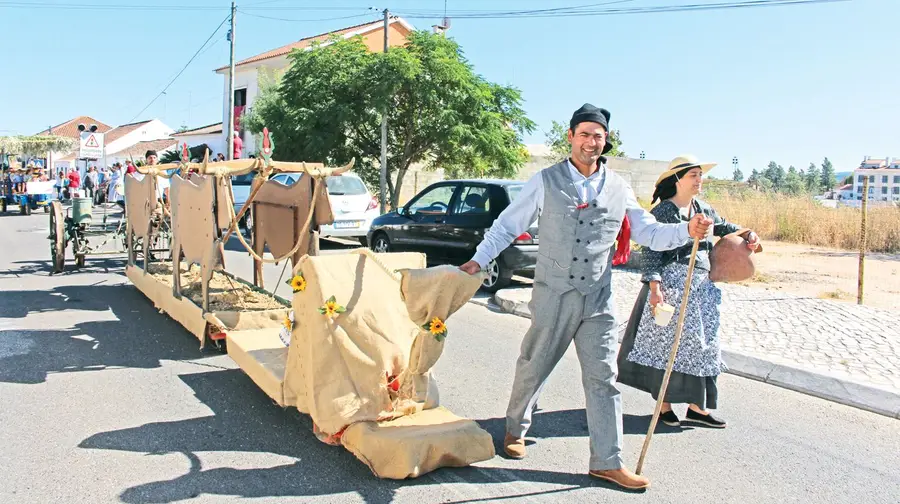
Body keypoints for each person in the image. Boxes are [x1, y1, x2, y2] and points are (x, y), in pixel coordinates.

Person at [459, 104, 713, 491]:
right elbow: (508, 224)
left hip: (598, 297)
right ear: (571, 136)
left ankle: (607, 461)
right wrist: (478, 261)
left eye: (598, 135)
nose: (591, 142)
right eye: (584, 134)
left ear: (605, 139)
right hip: (553, 293)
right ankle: (515, 429)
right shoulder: (544, 180)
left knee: (603, 378)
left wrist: (686, 232)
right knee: (534, 363)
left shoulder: (619, 186)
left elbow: (648, 232)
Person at [616, 155, 760, 429]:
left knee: (705, 344)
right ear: (677, 180)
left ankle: (697, 407)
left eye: (700, 175)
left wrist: (748, 234)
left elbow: (725, 227)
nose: (699, 180)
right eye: (693, 175)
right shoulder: (664, 212)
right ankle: (664, 406)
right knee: (668, 347)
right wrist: (655, 289)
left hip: (702, 286)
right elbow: (652, 253)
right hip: (672, 284)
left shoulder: (703, 209)